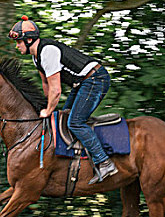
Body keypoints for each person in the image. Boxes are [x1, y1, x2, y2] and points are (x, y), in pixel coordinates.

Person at [8, 15, 118, 184]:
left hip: (95, 79)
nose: (17, 47)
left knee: (74, 122)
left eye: (19, 42)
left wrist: (49, 110)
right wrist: (46, 107)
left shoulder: (47, 52)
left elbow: (56, 90)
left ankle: (104, 162)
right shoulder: (36, 56)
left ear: (29, 40)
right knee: (62, 119)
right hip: (82, 83)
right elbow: (46, 83)